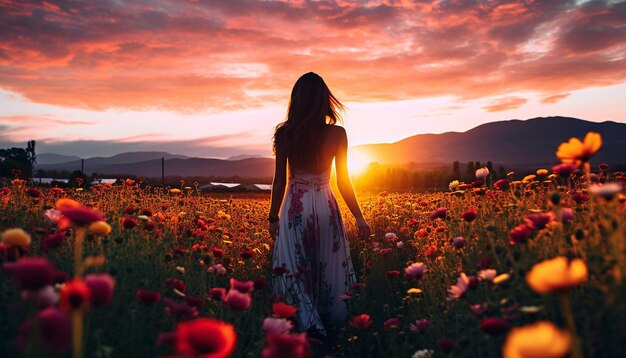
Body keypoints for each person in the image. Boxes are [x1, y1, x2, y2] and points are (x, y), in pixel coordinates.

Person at [268, 72, 370, 338]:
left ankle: (308, 323)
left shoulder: (285, 134)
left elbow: (279, 182)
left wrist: (272, 217)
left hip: (295, 208)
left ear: (297, 101)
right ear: (324, 100)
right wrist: (359, 217)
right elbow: (344, 181)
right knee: (327, 263)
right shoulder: (337, 134)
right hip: (326, 206)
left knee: (295, 266)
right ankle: (331, 321)